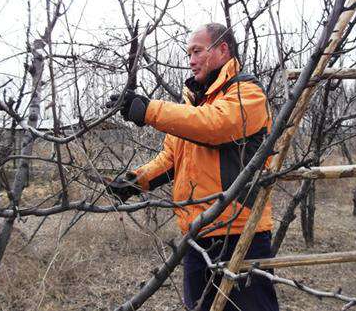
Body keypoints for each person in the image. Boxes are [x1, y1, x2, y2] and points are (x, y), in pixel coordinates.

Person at [106, 23, 279, 311]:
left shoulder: (247, 93)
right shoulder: (192, 104)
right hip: (198, 236)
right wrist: (136, 181)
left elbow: (214, 125)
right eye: (189, 53)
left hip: (240, 233)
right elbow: (172, 159)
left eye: (198, 51)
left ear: (223, 50)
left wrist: (149, 110)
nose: (191, 60)